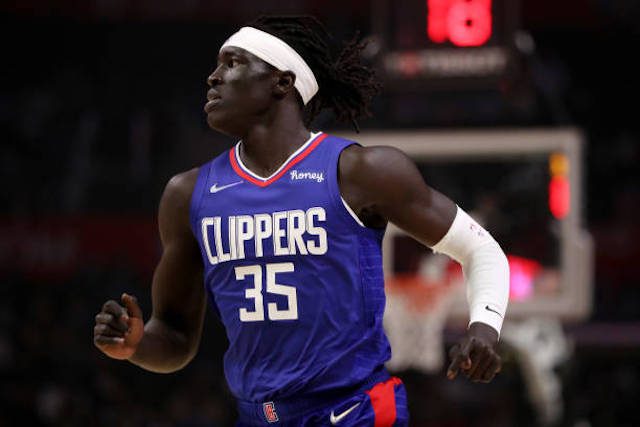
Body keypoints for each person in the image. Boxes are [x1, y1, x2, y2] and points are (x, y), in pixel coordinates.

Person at [93, 15, 509, 426]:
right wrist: (135, 346)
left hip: (355, 411)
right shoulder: (187, 194)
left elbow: (480, 249)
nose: (213, 77)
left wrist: (484, 328)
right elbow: (175, 338)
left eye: (232, 63)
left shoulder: (361, 171)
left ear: (282, 82)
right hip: (258, 417)